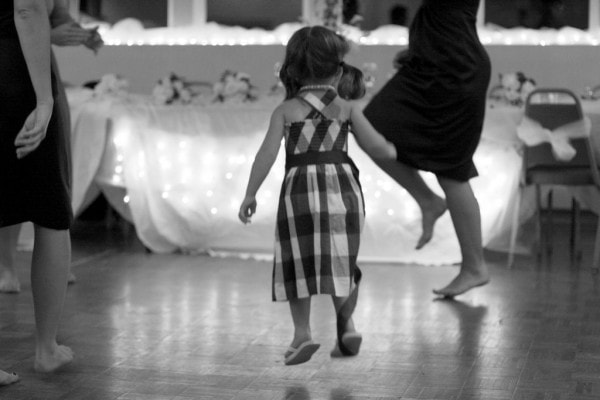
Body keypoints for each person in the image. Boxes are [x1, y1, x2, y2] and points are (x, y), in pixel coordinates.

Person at [238, 26, 396, 366]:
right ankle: (347, 326)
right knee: (340, 260)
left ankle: (302, 335)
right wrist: (399, 150)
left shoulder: (285, 111)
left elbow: (264, 155)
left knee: (299, 262)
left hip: (299, 195)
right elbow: (378, 148)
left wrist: (250, 193)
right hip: (342, 193)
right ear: (339, 69)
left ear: (291, 70)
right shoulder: (348, 109)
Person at [363, 0, 491, 297]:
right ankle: (428, 201)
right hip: (434, 68)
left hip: (455, 73)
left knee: (452, 171)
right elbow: (444, 15)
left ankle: (474, 267)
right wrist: (420, 49)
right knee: (370, 125)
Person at [0, 0, 102, 294]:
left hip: (38, 69)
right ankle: (7, 266)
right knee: (20, 173)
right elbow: (26, 11)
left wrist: (80, 35)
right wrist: (45, 100)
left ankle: (51, 268)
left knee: (44, 176)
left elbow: (53, 17)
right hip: (20, 68)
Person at [0, 0, 74, 376]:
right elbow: (27, 7)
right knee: (50, 213)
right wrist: (44, 100)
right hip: (13, 74)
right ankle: (46, 347)